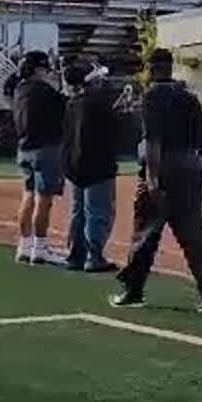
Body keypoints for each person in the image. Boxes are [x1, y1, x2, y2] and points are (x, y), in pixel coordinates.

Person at [111, 49, 202, 311]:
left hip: (162, 169)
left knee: (145, 232)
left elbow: (154, 140)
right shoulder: (189, 98)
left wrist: (153, 178)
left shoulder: (151, 97)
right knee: (194, 232)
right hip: (189, 169)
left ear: (150, 69)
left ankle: (133, 289)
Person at [11, 50, 70, 264]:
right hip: (45, 149)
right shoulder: (44, 91)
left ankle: (24, 246)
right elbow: (65, 110)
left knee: (28, 195)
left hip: (24, 148)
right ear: (38, 69)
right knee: (44, 200)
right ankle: (40, 247)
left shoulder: (19, 90)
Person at [62, 61, 122, 272]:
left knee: (78, 212)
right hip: (98, 164)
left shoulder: (71, 103)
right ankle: (94, 257)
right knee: (98, 211)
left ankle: (75, 255)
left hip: (75, 164)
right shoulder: (98, 102)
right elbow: (114, 130)